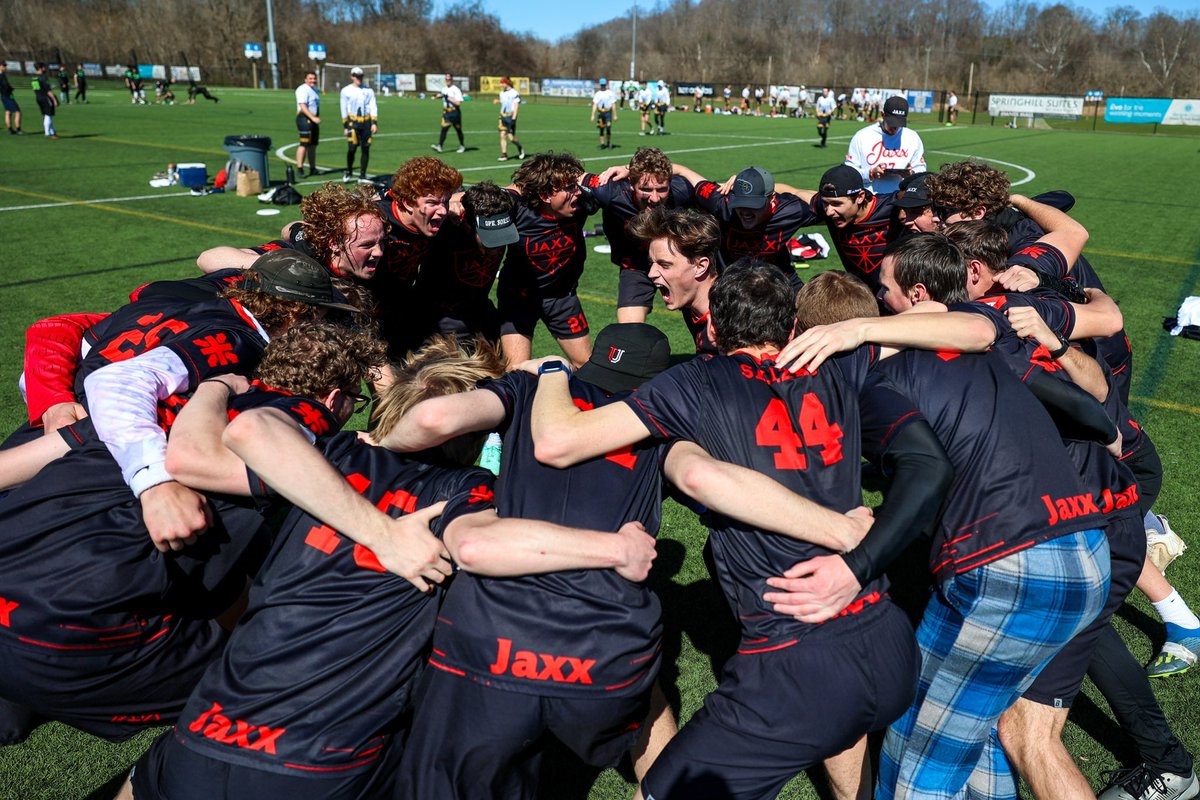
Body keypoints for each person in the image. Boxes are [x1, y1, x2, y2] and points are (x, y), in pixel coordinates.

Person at [118, 335, 659, 800]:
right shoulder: (461, 491)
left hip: (206, 729)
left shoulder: (326, 459)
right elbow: (481, 547)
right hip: (324, 763)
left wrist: (217, 385)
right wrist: (613, 548)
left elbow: (228, 440)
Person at [526, 260, 947, 800]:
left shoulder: (695, 381)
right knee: (841, 724)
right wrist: (860, 328)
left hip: (792, 656)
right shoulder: (839, 364)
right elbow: (960, 322)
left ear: (714, 331)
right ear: (795, 328)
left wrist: (553, 371)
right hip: (886, 639)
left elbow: (557, 442)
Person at [777, 234, 1112, 800]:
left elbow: (924, 469)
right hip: (1086, 550)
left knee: (914, 773)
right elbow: (1094, 418)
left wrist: (858, 563)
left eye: (887, 292)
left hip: (1008, 565)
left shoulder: (873, 370)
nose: (885, 301)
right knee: (972, 743)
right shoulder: (985, 352)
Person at [0, 322, 385, 749]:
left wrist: (213, 388)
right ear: (335, 399)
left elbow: (31, 460)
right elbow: (220, 574)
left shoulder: (148, 408)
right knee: (279, 690)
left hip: (12, 567)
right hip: (75, 627)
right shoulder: (301, 425)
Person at [497, 152, 598, 369]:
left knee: (588, 366)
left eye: (575, 185)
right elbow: (469, 198)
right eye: (569, 187)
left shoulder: (580, 207)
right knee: (517, 372)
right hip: (518, 298)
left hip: (562, 298)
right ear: (544, 195)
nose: (577, 192)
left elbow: (622, 181)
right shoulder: (518, 210)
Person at [579, 147, 694, 322]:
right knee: (628, 330)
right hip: (636, 267)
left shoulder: (682, 190)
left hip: (678, 264)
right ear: (631, 183)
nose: (655, 198)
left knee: (711, 323)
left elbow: (718, 193)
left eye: (662, 189)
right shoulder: (611, 191)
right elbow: (570, 175)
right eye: (646, 189)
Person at [673, 162, 818, 288]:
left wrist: (790, 190)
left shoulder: (791, 210)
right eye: (740, 204)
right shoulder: (722, 203)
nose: (746, 212)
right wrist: (679, 170)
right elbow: (695, 180)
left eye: (753, 205)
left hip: (780, 282)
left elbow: (827, 203)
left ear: (771, 199)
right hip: (733, 285)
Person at [412, 180, 519, 343]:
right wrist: (447, 206)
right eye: (490, 238)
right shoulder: (443, 227)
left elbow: (524, 185)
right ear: (467, 223)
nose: (498, 245)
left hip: (481, 314)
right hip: (439, 322)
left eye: (503, 235)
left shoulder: (506, 208)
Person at [629, 206, 720, 354]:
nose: (651, 273)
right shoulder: (691, 304)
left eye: (664, 265)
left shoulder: (737, 316)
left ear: (700, 266)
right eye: (652, 263)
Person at [844, 96, 925, 195]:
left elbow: (921, 169)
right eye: (891, 122)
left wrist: (911, 173)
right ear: (883, 115)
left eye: (899, 123)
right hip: (870, 199)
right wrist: (870, 173)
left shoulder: (912, 137)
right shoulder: (862, 136)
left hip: (900, 199)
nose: (895, 127)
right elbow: (849, 173)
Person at [340, 66, 378, 183]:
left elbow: (373, 106)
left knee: (365, 149)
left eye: (360, 76)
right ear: (352, 76)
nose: (359, 78)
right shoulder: (346, 90)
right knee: (351, 148)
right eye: (356, 76)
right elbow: (343, 107)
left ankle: (362, 175)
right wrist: (345, 125)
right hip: (353, 122)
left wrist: (374, 123)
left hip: (366, 122)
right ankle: (349, 171)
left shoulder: (368, 90)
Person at [294, 71, 321, 177]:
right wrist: (313, 117)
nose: (313, 80)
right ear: (305, 79)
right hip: (304, 119)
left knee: (313, 145)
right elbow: (302, 106)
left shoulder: (314, 89)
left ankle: (312, 168)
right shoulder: (302, 89)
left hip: (314, 120)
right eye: (310, 78)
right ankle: (300, 169)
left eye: (314, 78)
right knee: (304, 144)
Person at [432, 73, 465, 154]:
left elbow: (458, 103)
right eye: (446, 79)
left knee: (458, 130)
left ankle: (462, 145)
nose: (448, 81)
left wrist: (449, 98)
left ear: (452, 80)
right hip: (446, 113)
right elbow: (443, 96)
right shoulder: (444, 89)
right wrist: (437, 97)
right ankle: (440, 146)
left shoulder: (456, 89)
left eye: (449, 79)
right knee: (444, 129)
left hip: (454, 112)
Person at [494, 76, 526, 161]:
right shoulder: (501, 93)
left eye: (502, 83)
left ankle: (520, 147)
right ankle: (504, 155)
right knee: (502, 135)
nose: (501, 85)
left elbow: (516, 105)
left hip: (510, 116)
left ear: (507, 83)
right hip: (502, 116)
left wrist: (514, 118)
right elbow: (504, 102)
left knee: (511, 138)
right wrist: (498, 101)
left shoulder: (514, 93)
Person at [30, 63, 57, 139]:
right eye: (44, 67)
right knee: (49, 115)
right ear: (40, 68)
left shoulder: (34, 77)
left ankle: (52, 132)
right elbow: (48, 90)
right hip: (45, 97)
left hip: (38, 97)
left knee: (46, 115)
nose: (45, 69)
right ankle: (47, 133)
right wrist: (54, 99)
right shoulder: (43, 77)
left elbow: (34, 88)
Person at [590, 77, 618, 149]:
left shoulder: (610, 93)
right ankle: (602, 144)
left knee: (608, 127)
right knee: (601, 128)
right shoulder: (598, 94)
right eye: (602, 85)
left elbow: (613, 104)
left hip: (608, 112)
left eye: (604, 85)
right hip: (600, 113)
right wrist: (593, 115)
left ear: (606, 85)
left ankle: (608, 143)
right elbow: (595, 104)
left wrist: (615, 114)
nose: (603, 86)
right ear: (600, 85)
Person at [0, 62, 23, 134]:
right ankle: (18, 129)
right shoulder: (2, 75)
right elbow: (5, 85)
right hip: (8, 95)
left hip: (3, 95)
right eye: (4, 66)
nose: (5, 68)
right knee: (18, 112)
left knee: (8, 112)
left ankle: (10, 130)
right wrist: (11, 88)